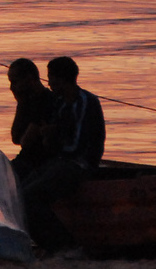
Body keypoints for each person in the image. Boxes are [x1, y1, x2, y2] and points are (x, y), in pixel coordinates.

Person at [15, 55, 105, 251]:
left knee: (31, 198)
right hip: (61, 160)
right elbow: (49, 143)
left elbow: (77, 146)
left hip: (79, 164)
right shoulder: (61, 104)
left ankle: (64, 246)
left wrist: (54, 137)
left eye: (51, 78)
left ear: (61, 79)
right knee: (19, 193)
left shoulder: (85, 102)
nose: (49, 84)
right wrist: (49, 136)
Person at [6, 57, 55, 177]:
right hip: (25, 161)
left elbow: (25, 142)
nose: (11, 88)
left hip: (39, 163)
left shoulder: (46, 101)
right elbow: (15, 138)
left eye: (15, 82)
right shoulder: (26, 103)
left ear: (30, 79)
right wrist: (21, 104)